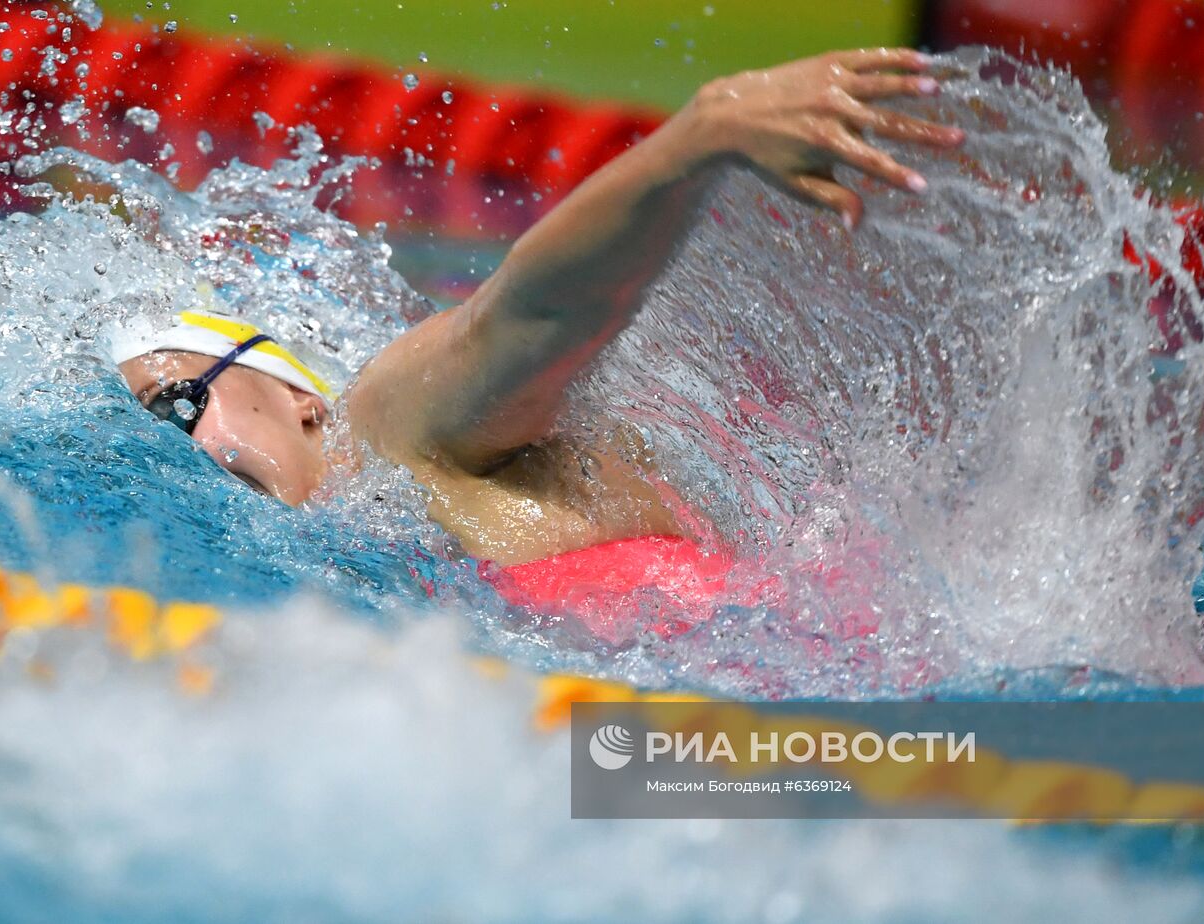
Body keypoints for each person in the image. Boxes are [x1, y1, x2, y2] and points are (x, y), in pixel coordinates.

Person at [116, 49, 964, 588]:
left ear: (297, 397)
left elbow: (536, 314)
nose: (166, 457)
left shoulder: (385, 432)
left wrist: (701, 136)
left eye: (174, 407)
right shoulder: (353, 560)